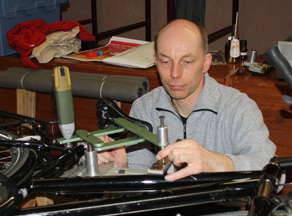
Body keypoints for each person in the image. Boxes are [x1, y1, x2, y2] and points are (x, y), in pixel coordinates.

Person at [97, 19, 276, 180]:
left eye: (187, 62)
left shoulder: (239, 108)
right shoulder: (144, 107)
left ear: (206, 63)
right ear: (156, 62)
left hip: (222, 212)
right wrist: (123, 167)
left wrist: (217, 162)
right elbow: (143, 179)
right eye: (166, 62)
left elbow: (272, 172)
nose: (175, 74)